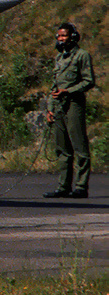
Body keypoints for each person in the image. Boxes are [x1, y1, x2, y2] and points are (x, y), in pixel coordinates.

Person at [45, 22, 94, 199]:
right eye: (58, 36)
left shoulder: (82, 56)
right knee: (62, 149)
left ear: (73, 37)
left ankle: (81, 186)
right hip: (59, 107)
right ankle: (63, 186)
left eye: (63, 36)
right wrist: (50, 108)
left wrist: (69, 91)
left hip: (74, 105)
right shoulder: (59, 58)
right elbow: (54, 86)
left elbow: (89, 81)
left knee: (79, 147)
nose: (60, 39)